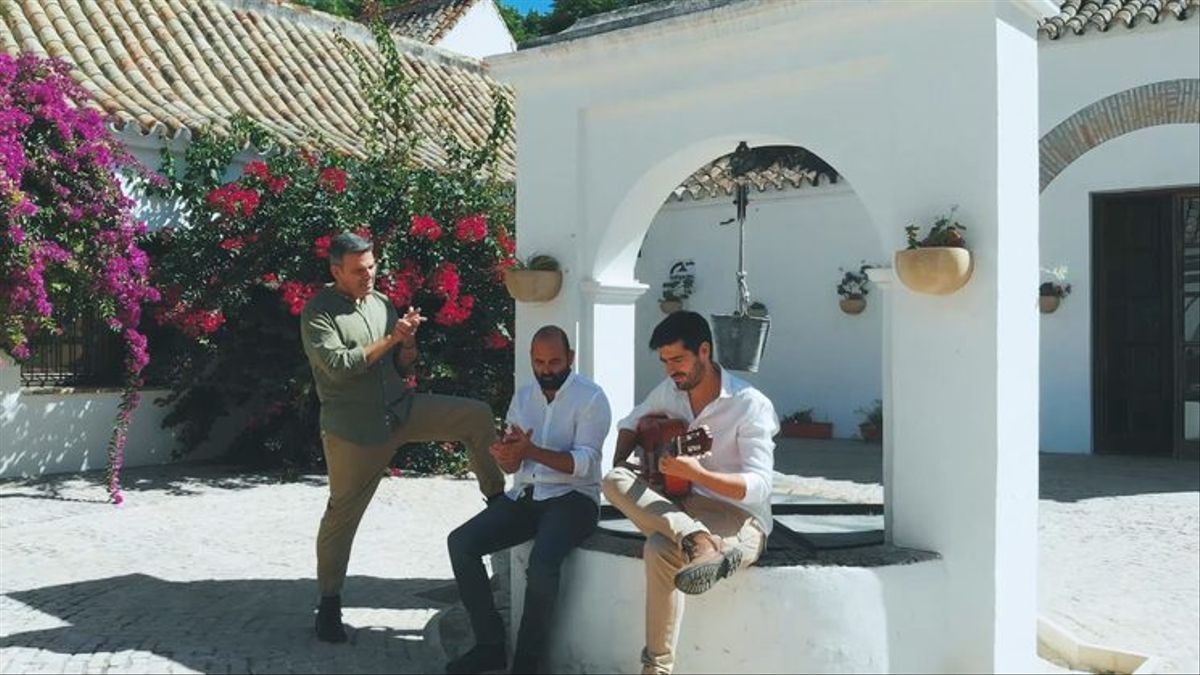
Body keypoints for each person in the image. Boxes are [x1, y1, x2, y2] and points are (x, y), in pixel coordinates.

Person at [302, 232, 505, 643]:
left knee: (476, 416)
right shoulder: (317, 313)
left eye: (373, 266)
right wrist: (393, 338)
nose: (369, 275)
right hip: (355, 430)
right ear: (336, 270)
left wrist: (407, 342)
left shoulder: (379, 303)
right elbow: (340, 367)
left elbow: (402, 365)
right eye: (359, 270)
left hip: (401, 410)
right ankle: (329, 604)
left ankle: (498, 504)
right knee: (341, 516)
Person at [601, 311, 778, 675]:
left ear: (704, 351)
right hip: (686, 509)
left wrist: (699, 474)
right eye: (665, 362)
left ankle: (656, 669)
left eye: (678, 360)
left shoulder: (750, 404)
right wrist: (634, 463)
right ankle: (698, 539)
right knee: (613, 479)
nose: (671, 370)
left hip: (739, 517)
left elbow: (760, 485)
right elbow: (630, 423)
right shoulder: (669, 391)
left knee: (658, 548)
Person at [445, 326, 611, 674]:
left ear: (570, 359)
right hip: (527, 493)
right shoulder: (522, 398)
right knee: (461, 543)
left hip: (573, 499)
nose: (546, 370)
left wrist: (532, 450)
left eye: (554, 361)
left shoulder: (592, 398)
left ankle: (526, 664)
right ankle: (490, 646)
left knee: (542, 564)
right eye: (539, 362)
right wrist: (507, 455)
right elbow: (512, 464)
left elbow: (584, 465)